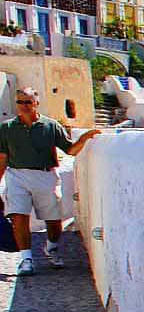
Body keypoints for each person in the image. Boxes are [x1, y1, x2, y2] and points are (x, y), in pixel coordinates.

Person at [0, 87, 101, 275]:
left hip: (45, 176)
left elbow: (70, 150)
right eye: (20, 102)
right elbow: (2, 157)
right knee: (19, 216)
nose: (24, 106)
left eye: (28, 102)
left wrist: (86, 138)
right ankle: (26, 259)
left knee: (54, 221)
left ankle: (51, 247)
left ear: (36, 103)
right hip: (17, 176)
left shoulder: (51, 126)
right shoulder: (6, 128)